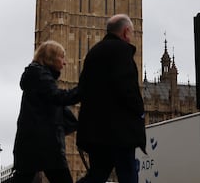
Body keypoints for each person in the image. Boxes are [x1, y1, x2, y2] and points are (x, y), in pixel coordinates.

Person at [75, 14, 146, 183]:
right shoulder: (122, 51)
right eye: (132, 32)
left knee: (96, 175)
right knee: (128, 174)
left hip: (94, 131)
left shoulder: (93, 52)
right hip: (120, 132)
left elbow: (82, 89)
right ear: (126, 31)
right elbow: (128, 89)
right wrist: (139, 111)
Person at [11, 40, 82, 183]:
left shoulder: (38, 75)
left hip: (33, 143)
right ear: (50, 58)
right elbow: (58, 97)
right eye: (62, 57)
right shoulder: (40, 76)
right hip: (45, 145)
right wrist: (85, 89)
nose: (65, 62)